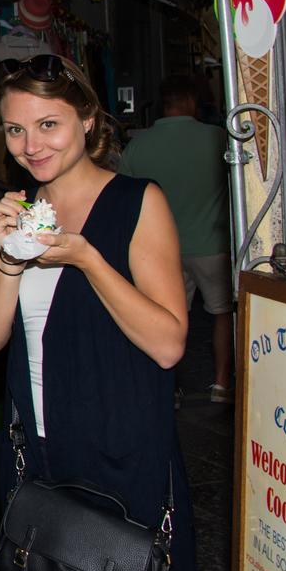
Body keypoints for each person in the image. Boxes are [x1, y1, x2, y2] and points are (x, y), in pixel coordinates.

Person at [0, 54, 196, 571]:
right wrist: (7, 256)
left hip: (122, 444)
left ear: (87, 119)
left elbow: (168, 345)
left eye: (49, 125)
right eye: (17, 129)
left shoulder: (138, 201)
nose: (32, 145)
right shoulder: (15, 212)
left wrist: (87, 257)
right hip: (39, 447)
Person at [120, 75, 234, 402]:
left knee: (168, 319)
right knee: (222, 314)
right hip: (212, 245)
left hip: (160, 251)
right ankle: (222, 384)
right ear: (191, 102)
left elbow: (125, 199)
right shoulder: (218, 139)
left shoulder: (139, 145)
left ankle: (172, 388)